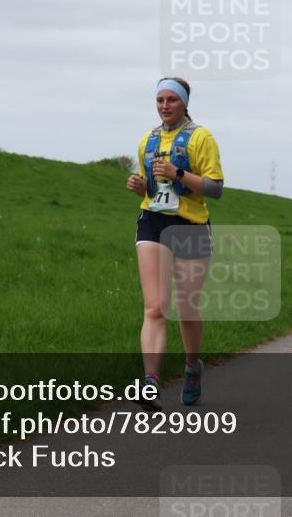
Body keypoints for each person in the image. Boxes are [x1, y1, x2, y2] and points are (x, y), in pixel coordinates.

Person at [125, 77, 223, 410]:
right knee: (154, 307)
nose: (165, 106)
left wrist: (178, 174)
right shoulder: (147, 140)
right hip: (152, 222)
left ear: (184, 103)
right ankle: (150, 382)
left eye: (172, 100)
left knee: (187, 306)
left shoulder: (201, 137)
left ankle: (192, 367)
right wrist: (141, 186)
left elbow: (215, 189)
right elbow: (155, 190)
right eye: (160, 100)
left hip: (191, 226)